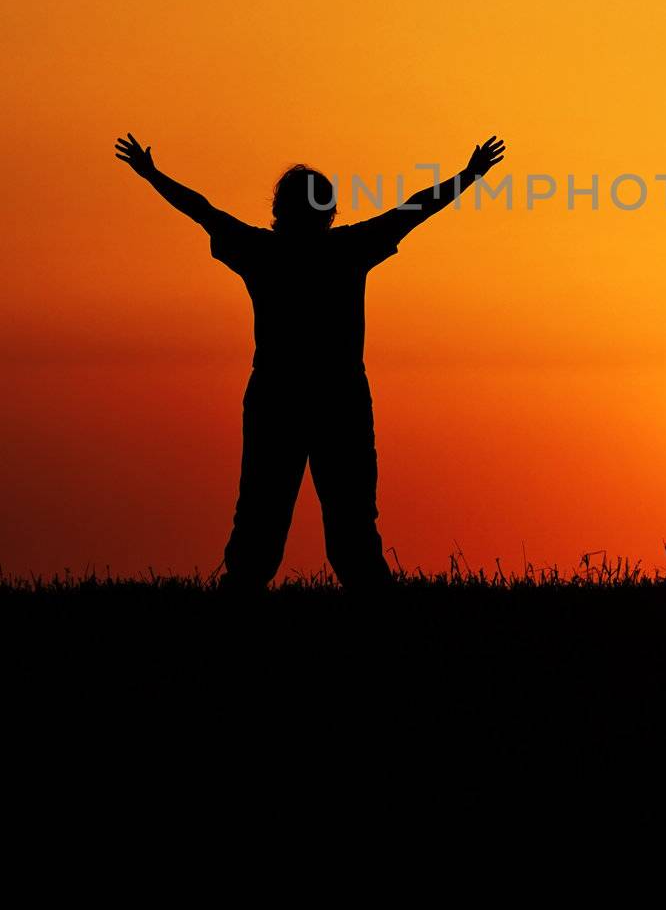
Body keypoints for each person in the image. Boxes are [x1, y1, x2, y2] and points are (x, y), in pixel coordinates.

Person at [113, 131, 506, 594]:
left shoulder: (263, 251)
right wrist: (469, 176)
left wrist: (152, 175)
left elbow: (202, 210)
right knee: (348, 523)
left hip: (278, 399)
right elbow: (413, 210)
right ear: (330, 211)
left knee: (262, 519)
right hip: (337, 400)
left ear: (279, 210)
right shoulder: (346, 248)